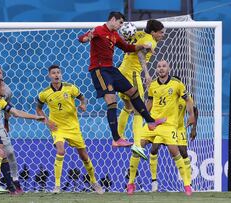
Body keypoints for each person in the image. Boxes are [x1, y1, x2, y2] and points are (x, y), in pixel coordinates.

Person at [78, 11, 165, 148]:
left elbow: (127, 47)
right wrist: (87, 37)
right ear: (113, 19)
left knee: (133, 92)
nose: (121, 26)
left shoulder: (114, 35)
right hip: (99, 70)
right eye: (120, 23)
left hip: (111, 69)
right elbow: (82, 38)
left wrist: (142, 46)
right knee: (112, 100)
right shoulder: (99, 30)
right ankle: (116, 138)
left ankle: (150, 121)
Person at [126, 60, 195, 196]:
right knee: (137, 148)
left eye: (164, 66)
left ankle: (187, 185)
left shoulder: (177, 84)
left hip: (169, 125)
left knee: (175, 152)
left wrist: (191, 115)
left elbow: (188, 100)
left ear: (168, 68)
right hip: (153, 123)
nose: (161, 68)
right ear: (156, 70)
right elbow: (150, 102)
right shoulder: (152, 86)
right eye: (159, 66)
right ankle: (131, 183)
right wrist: (144, 114)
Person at [36, 65, 103, 194]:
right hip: (57, 127)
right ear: (49, 76)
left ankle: (94, 181)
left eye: (58, 73)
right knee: (60, 151)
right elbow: (38, 109)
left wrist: (83, 104)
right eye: (53, 73)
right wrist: (47, 121)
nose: (56, 75)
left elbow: (83, 98)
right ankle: (57, 186)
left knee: (84, 156)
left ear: (61, 75)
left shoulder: (70, 88)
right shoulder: (44, 93)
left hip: (73, 127)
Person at [117, 20, 165, 159]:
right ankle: (137, 144)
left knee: (128, 106)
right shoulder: (151, 41)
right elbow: (141, 54)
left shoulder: (137, 33)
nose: (162, 35)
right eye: (161, 32)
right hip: (132, 74)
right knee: (139, 108)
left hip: (121, 71)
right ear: (153, 32)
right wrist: (147, 73)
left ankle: (118, 137)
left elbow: (130, 44)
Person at [148, 76, 198, 192]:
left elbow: (195, 111)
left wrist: (194, 129)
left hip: (179, 128)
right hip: (164, 126)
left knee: (184, 152)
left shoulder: (185, 98)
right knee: (154, 148)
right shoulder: (166, 96)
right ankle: (154, 181)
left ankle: (188, 184)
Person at [0, 66, 23, 194]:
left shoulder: (7, 91)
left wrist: (6, 123)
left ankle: (15, 180)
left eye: (0, 73)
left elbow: (7, 109)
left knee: (9, 152)